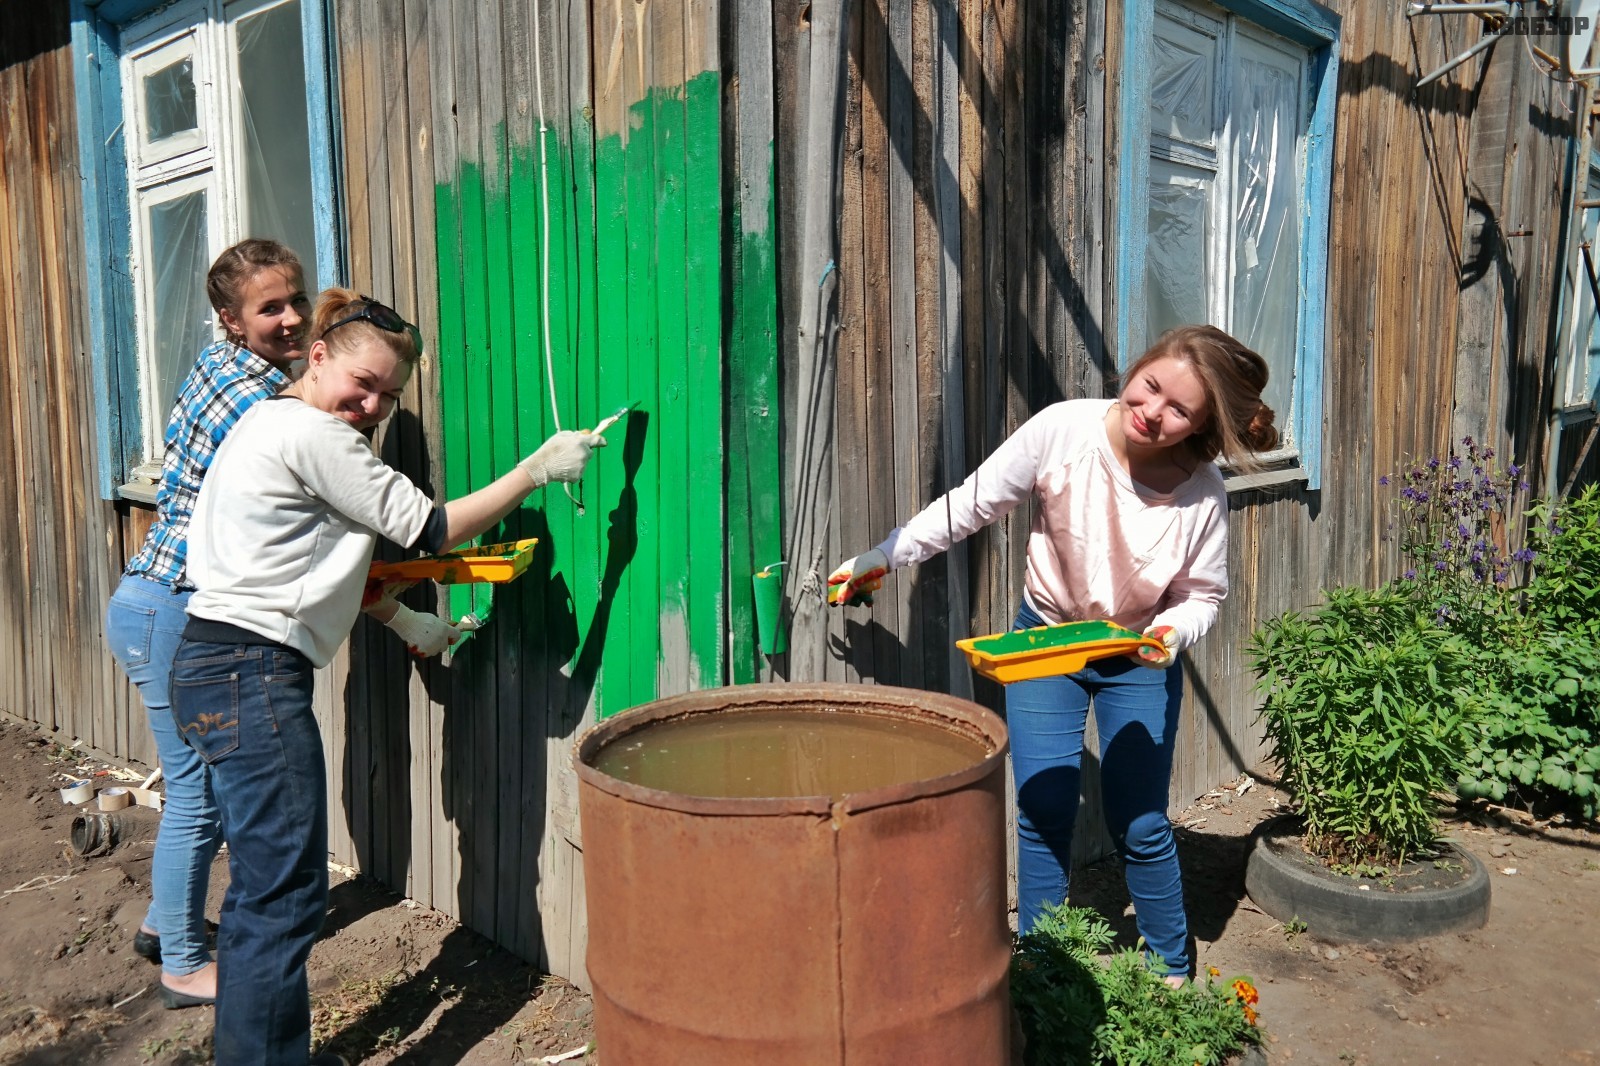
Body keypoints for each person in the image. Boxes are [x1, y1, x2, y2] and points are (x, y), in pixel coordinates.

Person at [168, 289, 605, 1066]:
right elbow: (431, 527)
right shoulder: (316, 436)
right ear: (319, 355)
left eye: (388, 397)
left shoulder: (265, 424)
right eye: (362, 384)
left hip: (212, 663)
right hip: (252, 671)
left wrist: (401, 618)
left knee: (263, 891)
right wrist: (534, 470)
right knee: (283, 897)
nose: (370, 405)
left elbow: (313, 560)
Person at [827, 324, 1278, 985]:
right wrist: (884, 557)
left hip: (1138, 655)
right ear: (1138, 368)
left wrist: (1173, 634)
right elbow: (970, 505)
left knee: (1143, 823)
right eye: (1150, 387)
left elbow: (1202, 596)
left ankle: (1171, 973)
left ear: (1200, 423)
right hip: (1045, 643)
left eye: (1178, 409)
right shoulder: (1064, 431)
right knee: (1043, 810)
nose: (1153, 412)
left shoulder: (1201, 491)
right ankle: (1044, 972)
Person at [104, 238, 311, 1010]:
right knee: (198, 795)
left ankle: (165, 927)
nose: (290, 318)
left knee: (206, 791)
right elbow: (306, 452)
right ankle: (185, 965)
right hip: (170, 607)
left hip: (159, 603)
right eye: (270, 308)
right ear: (230, 319)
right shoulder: (251, 395)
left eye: (296, 298)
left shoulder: (232, 365)